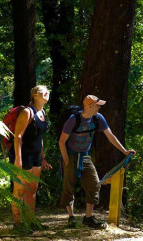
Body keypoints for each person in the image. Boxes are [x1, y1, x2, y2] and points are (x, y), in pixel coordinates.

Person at [58, 95, 136, 228]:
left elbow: (110, 136)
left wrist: (124, 151)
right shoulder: (73, 120)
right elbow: (62, 141)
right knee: (69, 187)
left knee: (94, 184)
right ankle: (71, 217)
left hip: (85, 156)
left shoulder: (98, 118)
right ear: (89, 106)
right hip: (70, 155)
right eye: (97, 105)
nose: (99, 107)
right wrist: (66, 160)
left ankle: (88, 217)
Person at [9, 85, 53, 233]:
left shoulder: (42, 112)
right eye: (43, 91)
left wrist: (43, 158)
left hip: (36, 157)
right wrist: (18, 159)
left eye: (48, 91)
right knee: (20, 190)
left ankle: (31, 221)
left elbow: (39, 138)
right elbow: (18, 136)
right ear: (34, 94)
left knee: (32, 189)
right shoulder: (27, 112)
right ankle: (18, 223)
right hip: (24, 155)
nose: (47, 93)